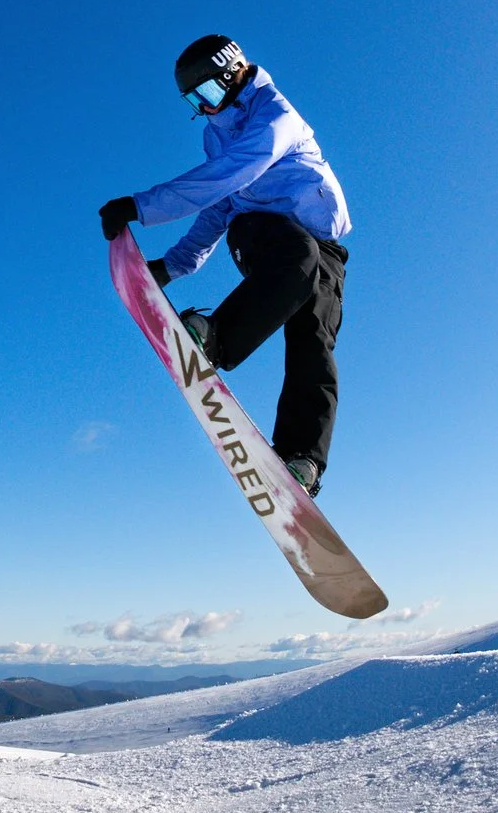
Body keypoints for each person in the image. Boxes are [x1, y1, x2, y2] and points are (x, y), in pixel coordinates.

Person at [98, 35, 352, 497]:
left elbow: (231, 173)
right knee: (297, 255)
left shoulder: (275, 117)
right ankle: (214, 336)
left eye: (208, 95)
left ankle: (301, 459)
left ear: (233, 73)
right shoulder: (216, 134)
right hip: (263, 234)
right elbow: (220, 201)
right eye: (193, 101)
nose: (204, 109)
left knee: (314, 341)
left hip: (324, 247)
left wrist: (142, 205)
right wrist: (171, 267)